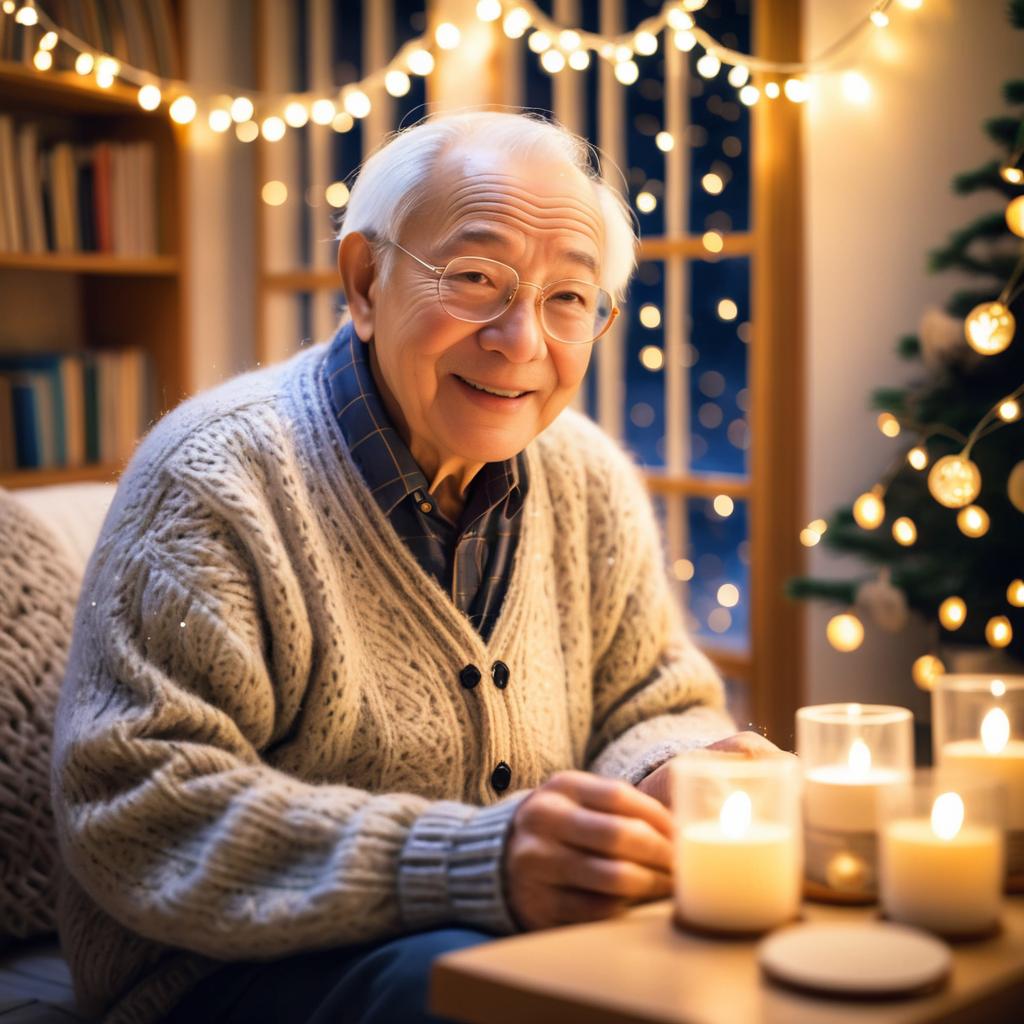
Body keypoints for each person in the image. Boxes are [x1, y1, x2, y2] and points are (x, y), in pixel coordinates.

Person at [51, 111, 779, 1024]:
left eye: (567, 300)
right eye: (477, 279)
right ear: (365, 279)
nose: (521, 341)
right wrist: (469, 861)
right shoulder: (215, 478)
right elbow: (139, 808)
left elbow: (651, 703)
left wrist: (667, 773)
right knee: (480, 990)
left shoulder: (587, 474)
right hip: (214, 972)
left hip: (504, 932)